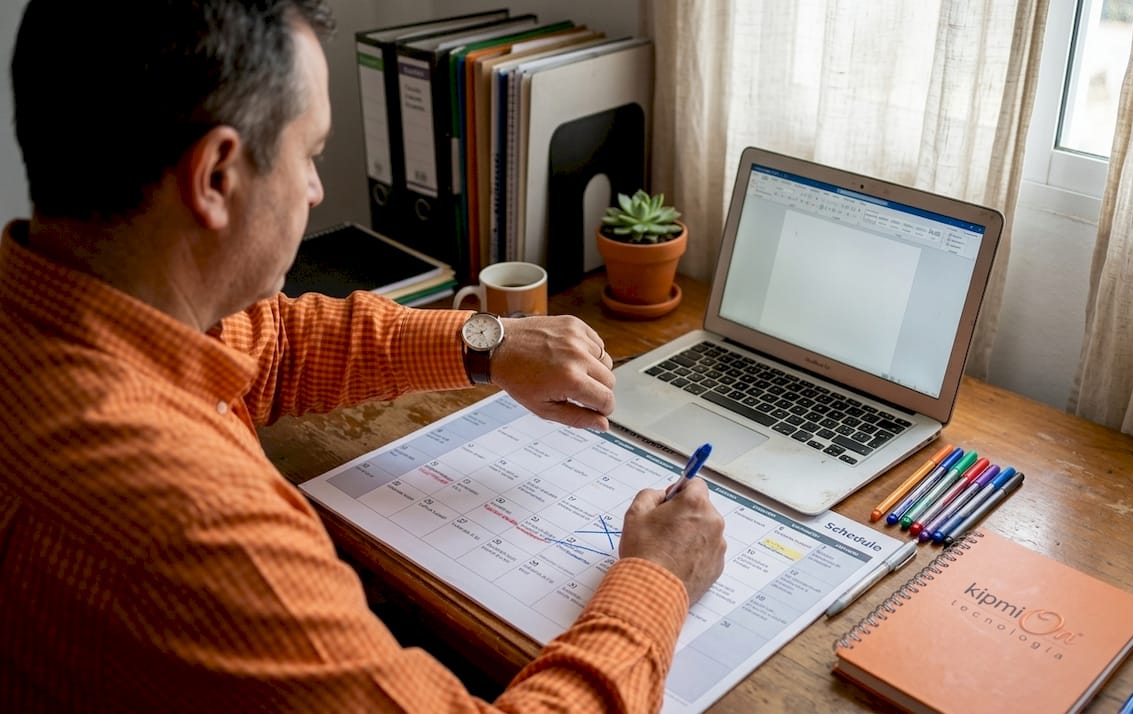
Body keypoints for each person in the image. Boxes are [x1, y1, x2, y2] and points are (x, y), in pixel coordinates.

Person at [0, 1, 726, 710]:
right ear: (216, 176)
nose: (317, 189)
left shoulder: (59, 304)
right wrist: (657, 580)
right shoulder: (195, 527)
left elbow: (274, 342)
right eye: (310, 155)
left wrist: (490, 343)